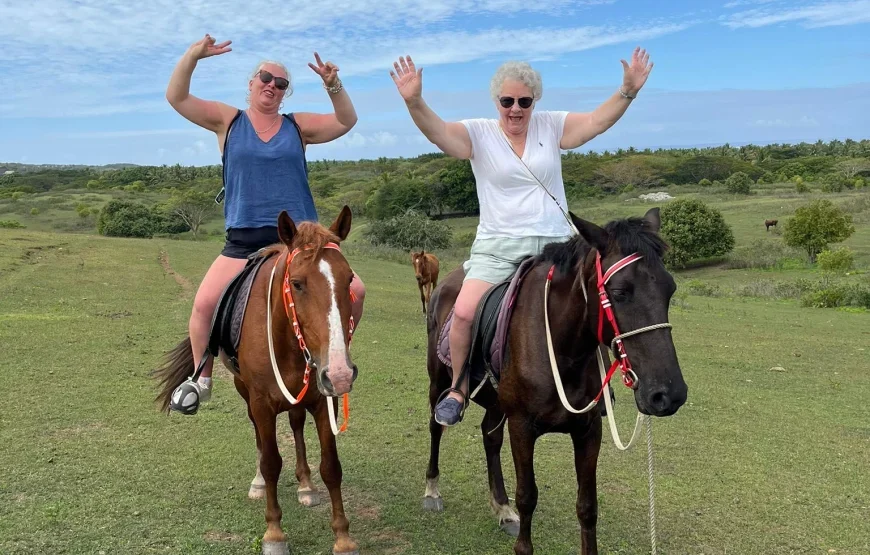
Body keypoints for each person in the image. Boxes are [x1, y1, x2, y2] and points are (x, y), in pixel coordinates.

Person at [390, 47, 654, 426]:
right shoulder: (478, 134)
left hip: (556, 248)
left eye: (524, 101)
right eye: (507, 101)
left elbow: (596, 122)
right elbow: (440, 134)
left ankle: (596, 382)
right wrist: (415, 102)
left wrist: (628, 91)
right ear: (497, 101)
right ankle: (459, 387)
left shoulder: (551, 125)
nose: (516, 109)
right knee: (463, 313)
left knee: (592, 303)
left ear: (535, 101)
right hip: (498, 248)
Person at [166, 34, 366, 401]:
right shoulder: (229, 121)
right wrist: (193, 55)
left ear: (285, 93)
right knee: (204, 306)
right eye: (265, 78)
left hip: (301, 243)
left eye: (281, 83)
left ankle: (329, 354)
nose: (272, 86)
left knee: (356, 291)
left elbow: (346, 120)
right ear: (251, 84)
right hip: (243, 240)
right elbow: (176, 97)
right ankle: (201, 379)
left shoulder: (297, 126)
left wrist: (333, 85)